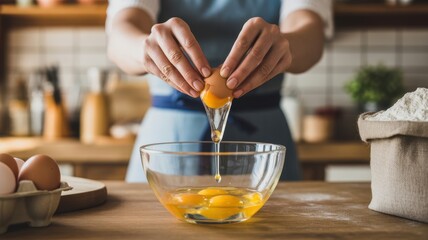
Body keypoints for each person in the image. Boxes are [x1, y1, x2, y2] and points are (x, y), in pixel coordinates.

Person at [106, 0, 333, 182]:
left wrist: (286, 45)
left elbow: (310, 33)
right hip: (169, 142)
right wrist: (143, 49)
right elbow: (121, 31)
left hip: (265, 142)